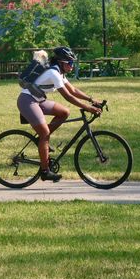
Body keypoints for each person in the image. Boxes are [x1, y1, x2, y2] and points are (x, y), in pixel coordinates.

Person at [17, 46, 103, 182]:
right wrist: (88, 108)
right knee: (45, 133)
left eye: (72, 63)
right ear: (61, 62)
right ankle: (45, 171)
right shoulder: (53, 73)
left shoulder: (60, 73)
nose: (71, 66)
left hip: (38, 100)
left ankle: (42, 141)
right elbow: (68, 96)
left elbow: (73, 90)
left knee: (64, 112)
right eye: (69, 63)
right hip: (27, 101)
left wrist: (91, 100)